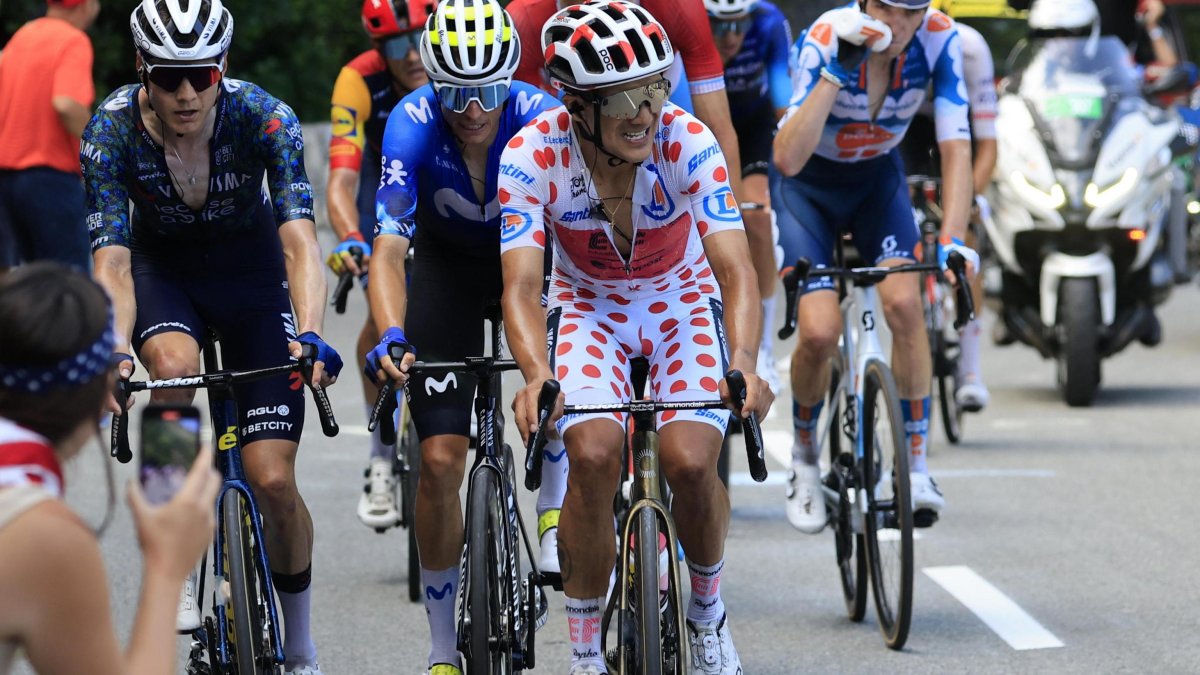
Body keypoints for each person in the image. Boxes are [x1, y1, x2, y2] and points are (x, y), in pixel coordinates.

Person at [501, 3, 773, 673]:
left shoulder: (687, 140)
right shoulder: (531, 154)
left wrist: (745, 362)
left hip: (680, 301)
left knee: (689, 460)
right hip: (588, 305)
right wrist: (537, 375)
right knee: (591, 455)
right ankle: (587, 650)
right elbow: (520, 288)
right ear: (575, 104)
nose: (644, 111)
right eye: (624, 96)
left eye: (654, 87)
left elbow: (735, 270)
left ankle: (707, 612)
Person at [82, 1, 342, 673]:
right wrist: (113, 348)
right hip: (165, 271)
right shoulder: (109, 131)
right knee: (170, 366)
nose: (188, 93)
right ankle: (177, 537)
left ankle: (302, 645)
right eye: (169, 78)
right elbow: (110, 260)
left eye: (202, 74)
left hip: (251, 273)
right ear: (143, 68)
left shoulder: (265, 116)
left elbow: (299, 241)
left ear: (222, 68)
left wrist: (310, 332)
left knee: (272, 478)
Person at [362, 1, 556, 672]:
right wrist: (390, 330)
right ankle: (443, 646)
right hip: (444, 269)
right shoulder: (410, 124)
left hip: (528, 263)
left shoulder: (540, 116)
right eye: (455, 91)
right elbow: (388, 252)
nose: (474, 108)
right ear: (430, 82)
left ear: (513, 76)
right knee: (441, 460)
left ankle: (553, 510)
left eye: (489, 90)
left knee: (553, 387)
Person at [774, 0, 977, 533]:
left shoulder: (941, 39)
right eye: (885, 8)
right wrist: (835, 73)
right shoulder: (826, 34)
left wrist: (955, 239)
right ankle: (803, 461)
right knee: (818, 333)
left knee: (906, 305)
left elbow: (956, 149)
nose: (897, 24)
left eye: (910, 12)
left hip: (876, 185)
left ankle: (916, 466)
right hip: (808, 191)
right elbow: (788, 158)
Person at [0, 262, 220, 675]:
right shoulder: (43, 533)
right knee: (173, 369)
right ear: (102, 391)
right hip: (209, 285)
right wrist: (167, 565)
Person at [327, 0, 436, 530]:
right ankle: (378, 457)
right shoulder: (358, 80)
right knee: (378, 319)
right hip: (384, 185)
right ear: (378, 49)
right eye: (396, 44)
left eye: (419, 37)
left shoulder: (453, 65)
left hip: (441, 183)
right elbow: (342, 178)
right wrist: (351, 237)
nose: (412, 54)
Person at [905, 0, 999, 411]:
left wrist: (969, 200)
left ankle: (971, 370)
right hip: (906, 132)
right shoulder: (894, 48)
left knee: (967, 234)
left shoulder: (971, 48)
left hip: (960, 130)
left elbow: (987, 144)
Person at [704, 0, 793, 392]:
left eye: (739, 24)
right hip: (702, 124)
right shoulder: (686, 23)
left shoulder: (770, 22)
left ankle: (764, 348)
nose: (731, 37)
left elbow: (782, 100)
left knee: (756, 218)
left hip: (753, 127)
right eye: (719, 26)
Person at [0, 0, 100, 272]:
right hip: (50, 181)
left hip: (6, 180)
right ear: (87, 5)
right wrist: (99, 144)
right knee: (66, 283)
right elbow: (66, 103)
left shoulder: (23, 35)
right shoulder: (72, 40)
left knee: (21, 282)